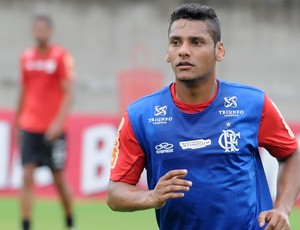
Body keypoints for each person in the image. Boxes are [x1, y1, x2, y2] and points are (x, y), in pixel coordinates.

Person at [107, 3, 300, 230]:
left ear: (219, 51)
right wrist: (151, 197)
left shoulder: (253, 104)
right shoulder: (141, 116)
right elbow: (115, 193)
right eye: (175, 42)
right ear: (167, 53)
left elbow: (292, 154)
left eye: (196, 42)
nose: (183, 51)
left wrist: (282, 208)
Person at [15, 15, 75, 230]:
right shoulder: (26, 58)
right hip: (30, 126)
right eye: (37, 29)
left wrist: (58, 123)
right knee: (27, 176)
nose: (40, 33)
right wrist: (17, 122)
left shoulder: (60, 57)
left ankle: (70, 222)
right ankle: (25, 225)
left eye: (44, 29)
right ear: (33, 32)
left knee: (58, 179)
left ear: (50, 32)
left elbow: (69, 94)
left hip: (53, 130)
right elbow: (24, 91)